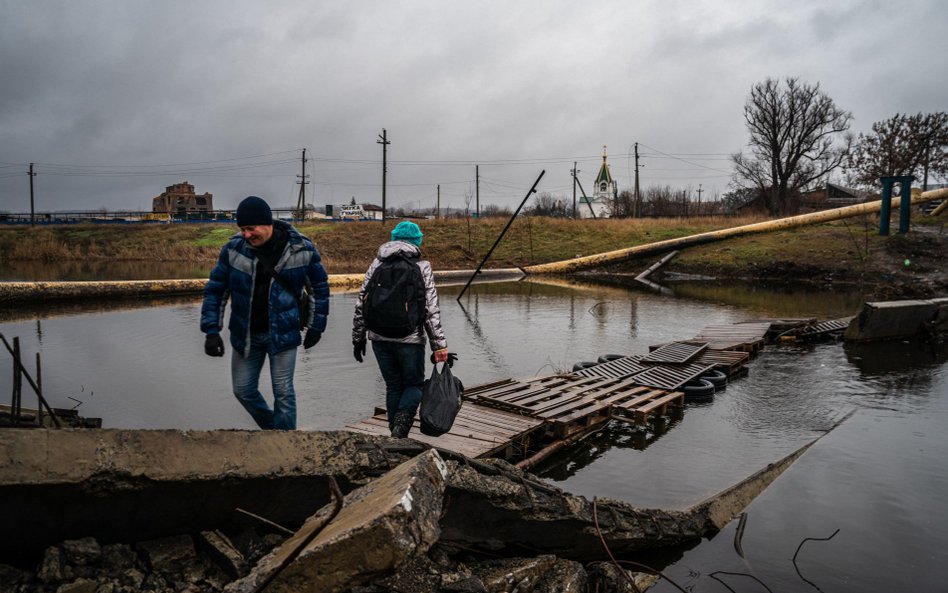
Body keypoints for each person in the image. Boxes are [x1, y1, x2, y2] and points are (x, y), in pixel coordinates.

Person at [201, 196, 329, 430]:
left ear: (267, 223)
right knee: (242, 390)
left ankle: (287, 446)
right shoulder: (233, 249)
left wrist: (316, 327)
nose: (246, 235)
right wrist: (211, 330)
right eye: (242, 229)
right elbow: (216, 290)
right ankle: (275, 431)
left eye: (251, 228)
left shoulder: (301, 249)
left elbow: (319, 290)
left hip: (283, 334)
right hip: (246, 335)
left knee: (283, 393)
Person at [352, 220, 449, 438]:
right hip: (410, 339)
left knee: (393, 386)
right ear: (417, 242)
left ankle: (394, 433)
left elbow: (361, 303)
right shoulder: (422, 266)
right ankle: (400, 431)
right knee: (414, 385)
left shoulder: (376, 264)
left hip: (378, 337)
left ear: (394, 239)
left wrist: (358, 337)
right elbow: (430, 310)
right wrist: (439, 346)